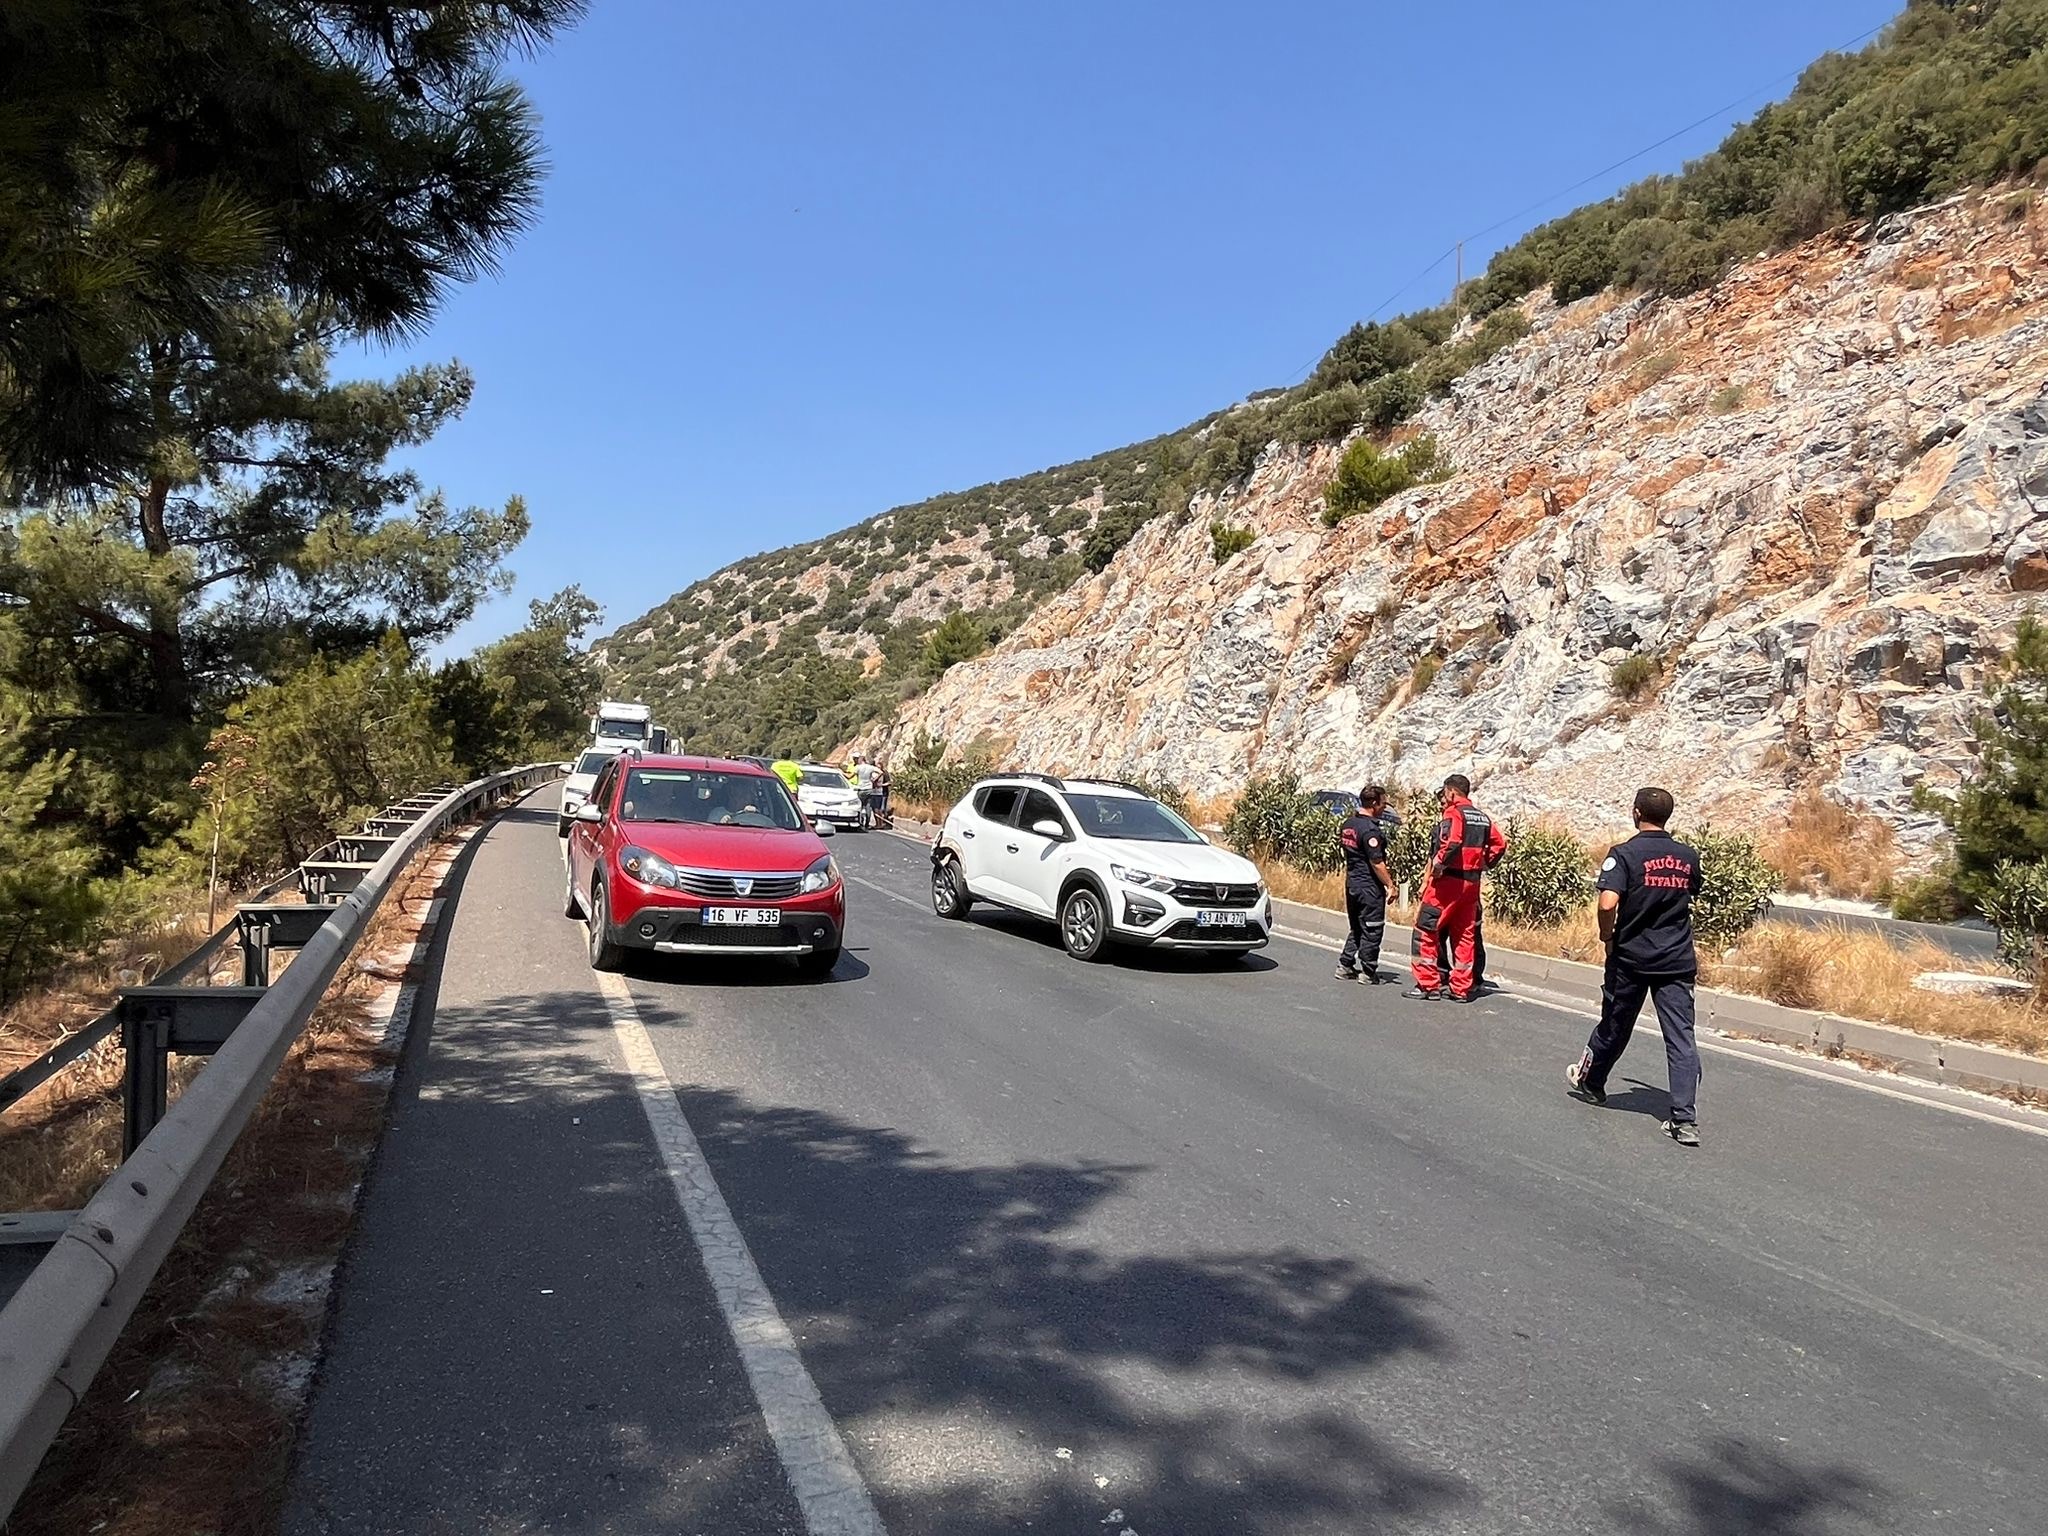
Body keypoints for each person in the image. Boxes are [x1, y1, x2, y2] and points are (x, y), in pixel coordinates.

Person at [1566, 787, 1705, 1147]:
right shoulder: (1687, 856)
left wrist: (1606, 936)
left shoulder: (1624, 855)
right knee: (1681, 1037)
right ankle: (1684, 1119)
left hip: (1631, 958)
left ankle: (1592, 1082)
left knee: (1615, 1024)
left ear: (1636, 812)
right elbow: (1692, 893)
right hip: (1676, 960)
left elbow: (1608, 901)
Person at [1404, 773, 1506, 1003]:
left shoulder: (1454, 812)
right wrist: (1484, 863)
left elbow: (1452, 841)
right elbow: (1500, 844)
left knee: (1425, 930)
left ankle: (1427, 985)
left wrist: (1438, 866)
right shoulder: (1482, 817)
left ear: (1451, 792)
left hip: (1448, 883)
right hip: (1471, 884)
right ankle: (1460, 988)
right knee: (1465, 935)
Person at [1335, 785, 1397, 984]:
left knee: (1357, 927)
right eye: (1383, 803)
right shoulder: (1370, 830)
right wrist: (1390, 885)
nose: (1384, 807)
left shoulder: (1348, 824)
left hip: (1352, 884)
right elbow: (1376, 862)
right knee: (1372, 927)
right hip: (1369, 887)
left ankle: (1345, 964)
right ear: (1373, 803)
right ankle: (1368, 971)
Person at [851, 754, 880, 827]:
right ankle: (867, 822)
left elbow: (850, 776)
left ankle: (860, 820)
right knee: (868, 805)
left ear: (861, 759)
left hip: (861, 788)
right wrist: (874, 779)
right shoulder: (870, 767)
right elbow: (881, 772)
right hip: (869, 788)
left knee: (860, 805)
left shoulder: (858, 767)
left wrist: (842, 773)